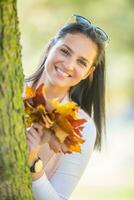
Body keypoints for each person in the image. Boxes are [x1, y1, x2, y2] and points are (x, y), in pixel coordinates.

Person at [23, 14, 108, 200]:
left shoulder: (83, 127)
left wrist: (33, 162)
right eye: (65, 51)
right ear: (49, 47)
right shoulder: (8, 90)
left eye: (81, 62)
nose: (69, 65)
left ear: (88, 73)